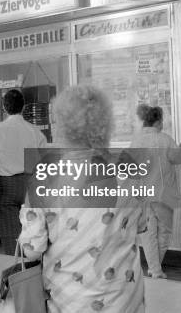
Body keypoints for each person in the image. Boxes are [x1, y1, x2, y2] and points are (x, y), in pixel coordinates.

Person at [18, 85, 146, 313]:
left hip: (70, 301)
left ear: (64, 127)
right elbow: (141, 225)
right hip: (124, 299)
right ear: (105, 125)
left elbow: (32, 248)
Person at [0, 89, 46, 255]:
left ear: (4, 107)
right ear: (23, 107)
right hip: (31, 188)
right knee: (33, 237)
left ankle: (15, 275)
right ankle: (32, 273)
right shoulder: (35, 131)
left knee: (11, 240)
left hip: (6, 188)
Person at [130, 105, 181, 279]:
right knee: (164, 233)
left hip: (143, 195)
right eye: (162, 121)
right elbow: (179, 159)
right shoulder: (165, 139)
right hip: (164, 195)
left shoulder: (136, 141)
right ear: (158, 122)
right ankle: (156, 268)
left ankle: (155, 269)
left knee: (148, 235)